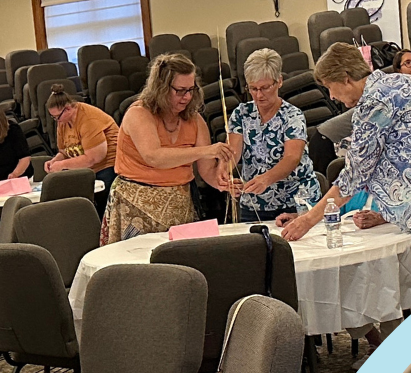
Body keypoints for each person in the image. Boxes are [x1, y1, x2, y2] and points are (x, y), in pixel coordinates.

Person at [281, 43, 411, 289]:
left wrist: (309, 219)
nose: (332, 96)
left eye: (329, 87)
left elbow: (355, 174)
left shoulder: (372, 104)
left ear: (345, 79)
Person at [104, 52, 232, 244]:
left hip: (179, 206)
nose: (187, 97)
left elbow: (206, 170)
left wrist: (222, 182)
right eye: (180, 90)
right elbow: (155, 157)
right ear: (161, 87)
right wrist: (207, 150)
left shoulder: (195, 120)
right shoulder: (139, 114)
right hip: (136, 206)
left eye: (191, 90)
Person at [216, 48, 319, 222]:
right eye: (253, 88)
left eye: (265, 88)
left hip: (295, 199)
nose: (259, 95)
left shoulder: (292, 115)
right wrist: (224, 172)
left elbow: (292, 158)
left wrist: (265, 179)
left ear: (279, 81)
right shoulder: (241, 113)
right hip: (254, 203)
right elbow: (233, 153)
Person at [42, 83, 119, 211]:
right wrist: (55, 160)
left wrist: (62, 165)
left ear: (68, 108)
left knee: (99, 206)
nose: (57, 121)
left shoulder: (89, 118)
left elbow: (94, 158)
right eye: (53, 117)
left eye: (57, 117)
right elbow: (64, 151)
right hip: (86, 168)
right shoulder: (63, 121)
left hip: (108, 166)